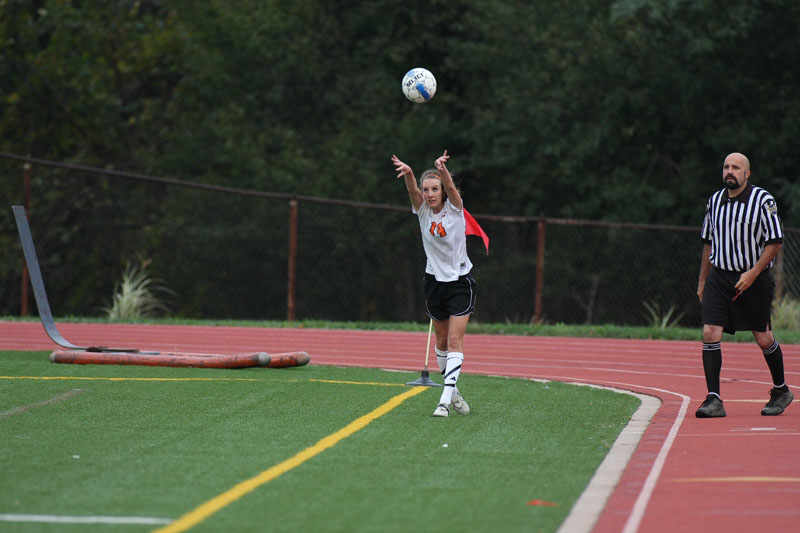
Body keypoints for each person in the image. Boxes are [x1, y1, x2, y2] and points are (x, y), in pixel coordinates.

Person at [695, 152, 792, 418]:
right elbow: (708, 242)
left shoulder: (763, 200)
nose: (730, 171)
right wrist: (703, 280)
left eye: (736, 167)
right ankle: (713, 398)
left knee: (763, 338)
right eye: (726, 166)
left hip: (753, 278)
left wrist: (753, 273)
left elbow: (775, 242)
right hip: (720, 276)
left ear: (747, 173)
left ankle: (781, 390)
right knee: (710, 332)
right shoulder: (715, 201)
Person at [391, 150, 476, 417]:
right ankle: (455, 392)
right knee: (440, 340)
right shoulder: (423, 213)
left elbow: (451, 186)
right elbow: (412, 192)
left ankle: (443, 400)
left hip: (460, 282)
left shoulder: (455, 209)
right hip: (434, 283)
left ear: (442, 190)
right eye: (426, 189)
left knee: (454, 339)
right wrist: (409, 175)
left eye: (434, 189)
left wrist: (443, 170)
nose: (429, 193)